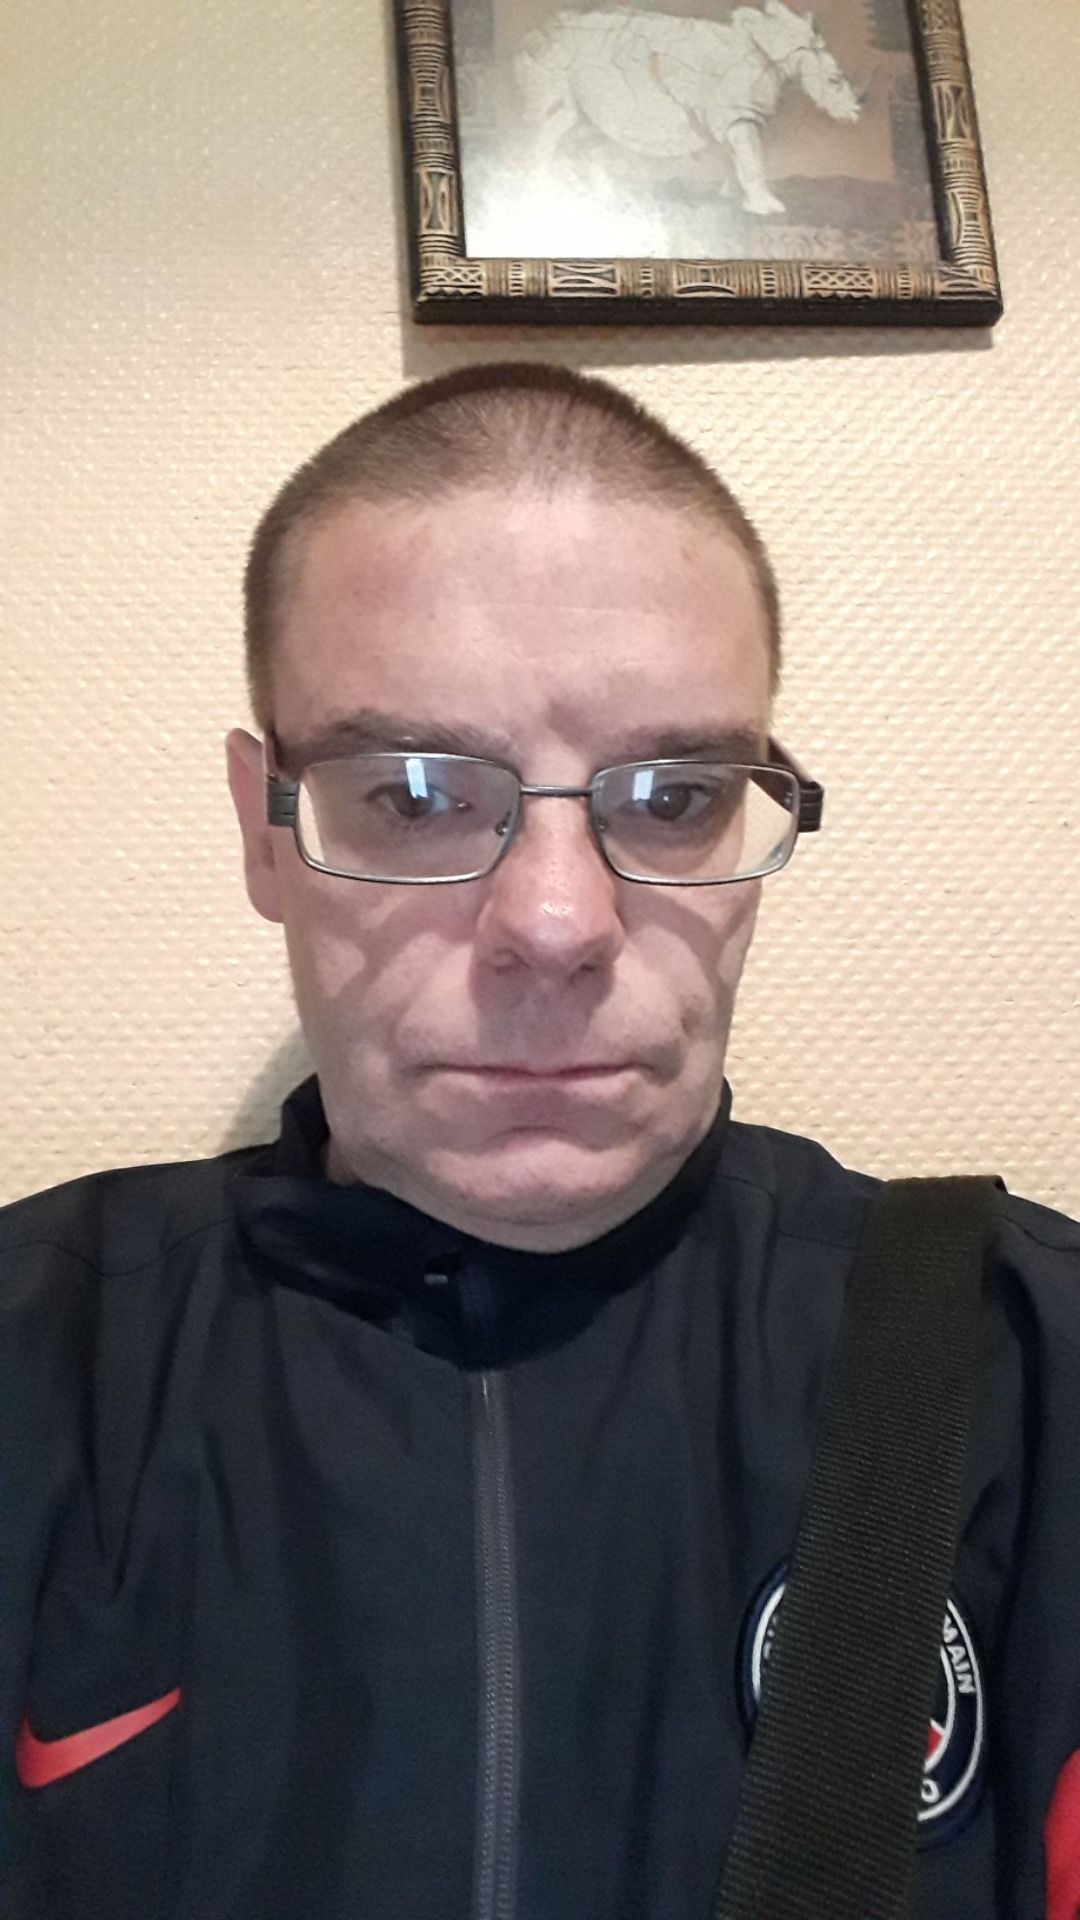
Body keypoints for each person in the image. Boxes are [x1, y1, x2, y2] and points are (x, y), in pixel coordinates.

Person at [1, 362, 1078, 1920]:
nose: (559, 923)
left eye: (678, 795)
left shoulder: (1027, 1360)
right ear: (264, 828)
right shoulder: (39, 1361)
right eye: (414, 794)